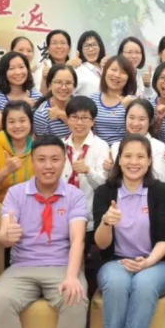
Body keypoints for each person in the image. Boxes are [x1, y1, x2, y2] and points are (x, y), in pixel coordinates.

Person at [0, 136, 89, 328]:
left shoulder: (74, 195)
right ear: (32, 162)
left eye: (55, 159)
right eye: (42, 160)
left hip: (60, 265)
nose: (48, 166)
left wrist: (72, 276)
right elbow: (4, 234)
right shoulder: (16, 193)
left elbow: (78, 239)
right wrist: (6, 236)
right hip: (22, 266)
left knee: (75, 297)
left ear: (64, 162)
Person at [92, 135, 165, 328]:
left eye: (140, 156)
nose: (134, 162)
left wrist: (148, 262)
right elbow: (101, 245)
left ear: (150, 160)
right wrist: (106, 222)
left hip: (158, 262)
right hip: (116, 261)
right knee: (117, 283)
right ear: (119, 160)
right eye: (128, 156)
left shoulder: (160, 191)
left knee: (143, 284)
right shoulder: (105, 193)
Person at [61, 96, 110, 253]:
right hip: (61, 216)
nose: (79, 123)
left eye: (85, 118)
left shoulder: (101, 146)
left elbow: (104, 186)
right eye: (74, 117)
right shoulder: (60, 145)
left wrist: (88, 171)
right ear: (67, 119)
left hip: (89, 217)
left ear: (93, 121)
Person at [108, 99, 165, 182]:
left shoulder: (159, 147)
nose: (135, 123)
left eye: (142, 119)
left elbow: (160, 179)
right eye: (131, 118)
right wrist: (108, 169)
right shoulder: (116, 146)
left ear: (150, 121)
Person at [0, 51, 38, 141]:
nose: (18, 72)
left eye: (21, 67)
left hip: (27, 144)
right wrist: (22, 105)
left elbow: (38, 127)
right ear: (3, 72)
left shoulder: (35, 94)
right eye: (11, 68)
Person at [90, 56, 136, 146]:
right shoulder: (93, 98)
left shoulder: (132, 101)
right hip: (96, 150)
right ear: (105, 71)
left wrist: (130, 110)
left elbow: (137, 133)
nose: (117, 75)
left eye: (123, 72)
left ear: (129, 78)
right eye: (113, 69)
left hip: (122, 150)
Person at [32, 64, 77, 139]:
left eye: (68, 83)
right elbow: (43, 144)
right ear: (50, 85)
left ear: (74, 86)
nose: (63, 87)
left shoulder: (81, 103)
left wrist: (62, 115)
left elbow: (88, 133)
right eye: (58, 82)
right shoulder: (42, 115)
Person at [36, 29, 80, 96]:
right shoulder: (43, 70)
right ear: (48, 48)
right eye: (54, 43)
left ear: (70, 48)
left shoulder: (77, 67)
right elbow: (41, 96)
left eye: (63, 43)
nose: (59, 46)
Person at [73, 31, 106, 97]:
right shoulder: (78, 70)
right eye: (86, 46)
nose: (90, 49)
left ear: (100, 47)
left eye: (94, 45)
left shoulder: (105, 68)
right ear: (81, 50)